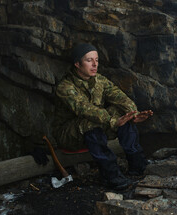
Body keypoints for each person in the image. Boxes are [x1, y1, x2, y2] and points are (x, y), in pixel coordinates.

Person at [52, 43, 153, 190]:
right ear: (77, 64)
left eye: (97, 60)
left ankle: (137, 165)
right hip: (68, 134)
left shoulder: (100, 80)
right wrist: (112, 121)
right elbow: (85, 109)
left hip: (95, 130)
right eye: (89, 60)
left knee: (123, 113)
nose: (94, 64)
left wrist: (134, 114)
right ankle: (110, 175)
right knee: (90, 121)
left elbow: (120, 97)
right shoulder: (65, 87)